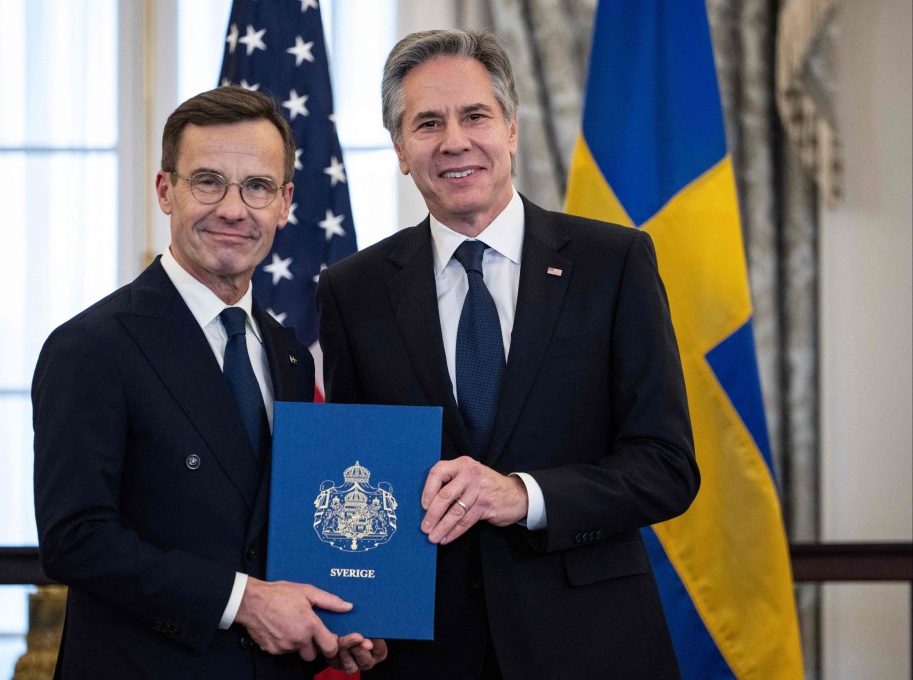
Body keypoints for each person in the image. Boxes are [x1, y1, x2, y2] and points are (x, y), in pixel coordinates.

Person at [316, 30, 700, 679]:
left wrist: (523, 494)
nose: (454, 141)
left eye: (474, 116)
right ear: (402, 151)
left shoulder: (614, 263)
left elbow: (666, 467)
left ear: (512, 129)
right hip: (425, 652)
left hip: (592, 644)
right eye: (427, 123)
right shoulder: (352, 291)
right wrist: (360, 613)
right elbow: (355, 468)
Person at [34, 86, 385, 679]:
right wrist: (245, 602)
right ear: (165, 190)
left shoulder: (291, 356)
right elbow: (76, 538)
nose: (232, 209)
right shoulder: (91, 347)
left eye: (257, 187)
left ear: (285, 202)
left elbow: (285, 534)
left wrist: (332, 623)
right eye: (208, 181)